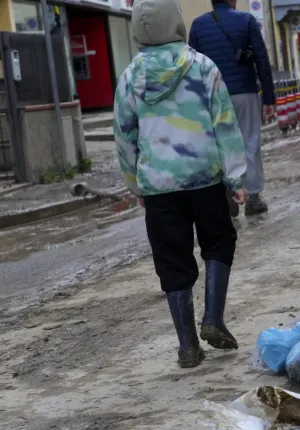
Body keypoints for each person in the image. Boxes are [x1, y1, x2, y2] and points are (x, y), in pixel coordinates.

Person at [114, 0, 248, 368]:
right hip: (204, 177)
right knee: (219, 240)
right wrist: (236, 176)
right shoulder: (203, 66)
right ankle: (213, 318)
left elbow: (124, 137)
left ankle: (188, 345)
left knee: (171, 259)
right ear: (177, 23)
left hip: (158, 184)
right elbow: (225, 123)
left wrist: (136, 184)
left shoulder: (130, 77)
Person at [189, 0, 275, 216]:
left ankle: (228, 191)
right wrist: (269, 98)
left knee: (219, 145)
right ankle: (254, 198)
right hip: (244, 92)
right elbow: (262, 60)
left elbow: (191, 65)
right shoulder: (246, 20)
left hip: (212, 96)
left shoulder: (198, 25)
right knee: (250, 141)